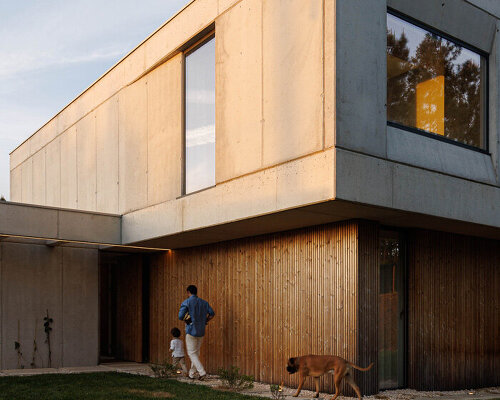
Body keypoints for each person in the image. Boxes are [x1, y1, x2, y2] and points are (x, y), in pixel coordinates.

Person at [178, 285, 215, 380]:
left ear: (188, 292)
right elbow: (212, 313)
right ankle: (191, 373)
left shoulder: (186, 302)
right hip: (201, 330)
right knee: (196, 352)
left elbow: (180, 316)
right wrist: (205, 320)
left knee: (191, 353)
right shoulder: (204, 302)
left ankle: (202, 372)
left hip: (191, 330)